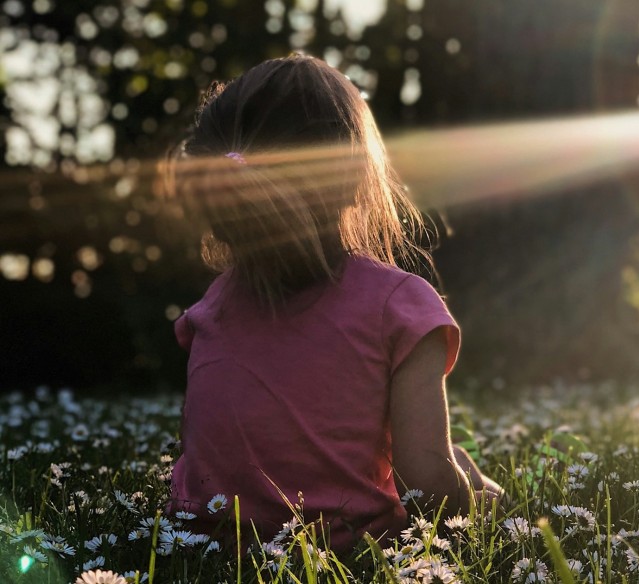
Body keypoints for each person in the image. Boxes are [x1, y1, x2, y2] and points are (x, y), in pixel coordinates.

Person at [164, 53, 502, 553]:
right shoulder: (399, 306)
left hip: (205, 547)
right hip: (347, 552)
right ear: (350, 177)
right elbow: (427, 485)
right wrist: (483, 503)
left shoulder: (211, 309)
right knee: (459, 469)